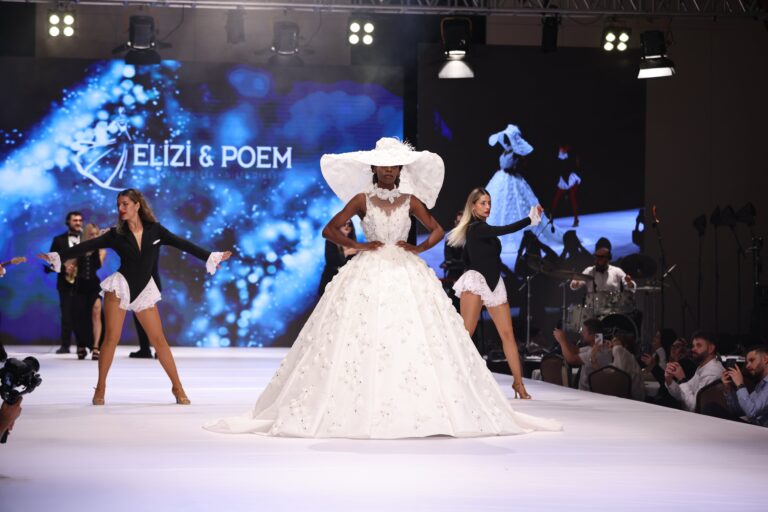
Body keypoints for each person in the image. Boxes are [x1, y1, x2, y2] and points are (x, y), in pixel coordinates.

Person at [205, 137, 561, 438]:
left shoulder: (410, 199)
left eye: (394, 166)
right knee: (359, 333)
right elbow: (330, 229)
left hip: (405, 269)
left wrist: (417, 248)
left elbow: (437, 229)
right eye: (383, 166)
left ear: (400, 168)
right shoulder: (362, 199)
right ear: (374, 168)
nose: (389, 170)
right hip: (369, 269)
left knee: (412, 334)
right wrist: (358, 246)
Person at [39, 189, 231, 405]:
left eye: (125, 204)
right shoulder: (116, 234)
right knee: (111, 338)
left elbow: (183, 243)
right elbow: (88, 245)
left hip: (144, 289)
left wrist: (211, 256)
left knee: (159, 340)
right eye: (118, 205)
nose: (120, 208)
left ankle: (177, 387)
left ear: (137, 205)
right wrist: (57, 257)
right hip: (120, 288)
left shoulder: (155, 230)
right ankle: (101, 386)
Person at [447, 187, 542, 399]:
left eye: (489, 203)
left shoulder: (483, 230)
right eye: (483, 203)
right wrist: (530, 220)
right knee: (466, 334)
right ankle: (453, 380)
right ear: (473, 206)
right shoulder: (475, 228)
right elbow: (504, 230)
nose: (488, 207)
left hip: (494, 284)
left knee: (508, 335)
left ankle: (518, 383)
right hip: (476, 281)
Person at [47, 211, 84, 354]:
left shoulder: (87, 238)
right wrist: (64, 268)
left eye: (80, 220)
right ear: (68, 222)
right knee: (66, 315)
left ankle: (82, 345)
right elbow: (51, 262)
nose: (78, 223)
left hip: (83, 282)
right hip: (65, 282)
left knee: (82, 315)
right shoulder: (58, 240)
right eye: (75, 220)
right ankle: (65, 345)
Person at [664, 331, 724, 412]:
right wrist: (669, 380)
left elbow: (694, 407)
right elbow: (681, 395)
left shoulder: (712, 372)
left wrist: (682, 379)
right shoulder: (703, 367)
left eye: (698, 345)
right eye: (693, 346)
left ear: (711, 348)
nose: (693, 349)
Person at [72, 223, 106, 360]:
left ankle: (96, 347)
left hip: (93, 285)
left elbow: (98, 265)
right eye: (91, 234)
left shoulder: (101, 250)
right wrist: (70, 268)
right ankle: (81, 345)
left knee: (97, 312)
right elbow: (71, 264)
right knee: (79, 317)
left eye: (96, 234)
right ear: (86, 235)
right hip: (80, 285)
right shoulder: (78, 249)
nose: (94, 236)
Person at [553, 318, 612, 391]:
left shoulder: (597, 352)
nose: (581, 333)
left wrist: (562, 341)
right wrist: (564, 339)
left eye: (583, 331)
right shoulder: (593, 348)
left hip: (588, 393)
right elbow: (575, 351)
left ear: (593, 335)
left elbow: (571, 359)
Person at [721, 346, 768, 427]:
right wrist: (728, 388)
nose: (747, 366)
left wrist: (740, 384)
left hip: (760, 430)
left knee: (712, 408)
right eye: (747, 362)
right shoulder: (761, 384)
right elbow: (740, 411)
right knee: (713, 408)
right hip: (753, 426)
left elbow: (751, 412)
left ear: (765, 359)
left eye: (752, 360)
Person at [570, 245, 636, 294]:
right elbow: (575, 285)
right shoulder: (589, 271)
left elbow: (631, 287)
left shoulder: (617, 271)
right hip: (593, 306)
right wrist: (575, 283)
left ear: (608, 259)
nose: (597, 260)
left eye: (600, 257)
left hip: (613, 306)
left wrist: (629, 283)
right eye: (596, 257)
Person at [317, 219, 357, 296]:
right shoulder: (331, 239)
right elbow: (330, 260)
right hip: (330, 280)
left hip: (345, 282)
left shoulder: (351, 241)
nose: (347, 226)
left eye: (349, 224)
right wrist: (345, 253)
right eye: (344, 224)